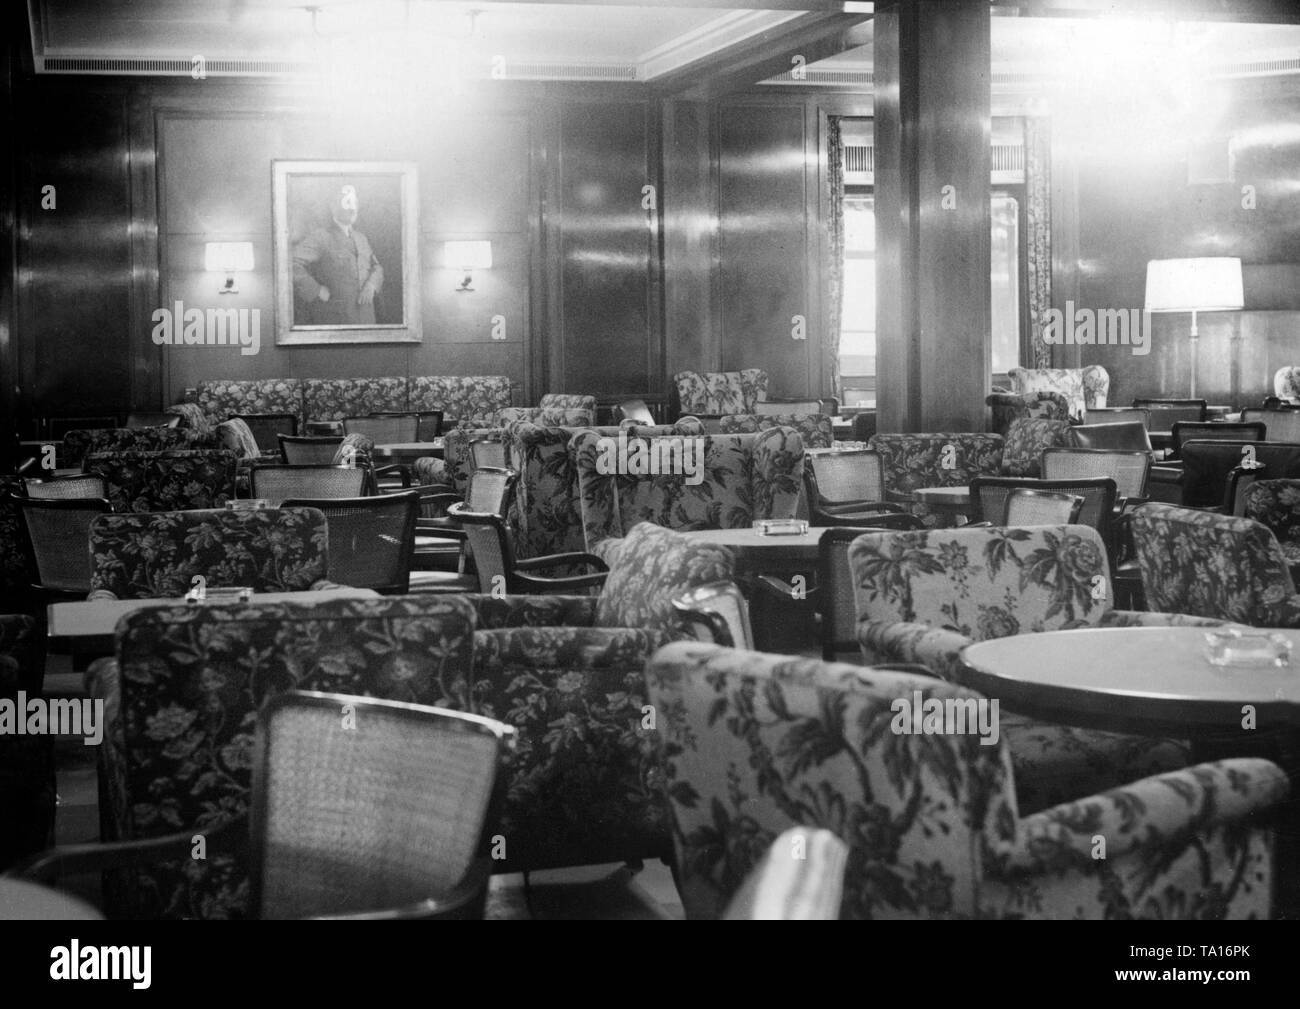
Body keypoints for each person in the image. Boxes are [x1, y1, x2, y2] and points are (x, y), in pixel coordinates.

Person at [292, 184, 384, 325]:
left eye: (355, 204)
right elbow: (290, 263)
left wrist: (372, 284)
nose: (353, 209)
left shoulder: (361, 238)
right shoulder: (321, 237)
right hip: (336, 320)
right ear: (333, 206)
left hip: (367, 319)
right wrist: (316, 290)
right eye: (347, 203)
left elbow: (377, 267)